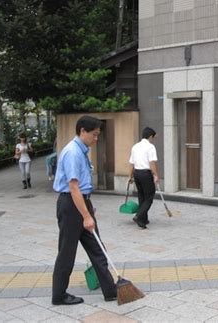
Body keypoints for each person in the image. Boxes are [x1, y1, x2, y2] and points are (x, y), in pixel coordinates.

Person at [52, 115, 117, 305]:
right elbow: (73, 187)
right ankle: (59, 295)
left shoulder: (82, 150)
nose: (96, 139)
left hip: (80, 203)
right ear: (82, 131)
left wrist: (87, 205)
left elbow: (80, 187)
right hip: (71, 206)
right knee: (67, 252)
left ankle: (111, 290)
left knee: (98, 249)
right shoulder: (73, 152)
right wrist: (86, 215)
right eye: (94, 135)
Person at [129, 126, 159, 229]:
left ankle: (144, 219)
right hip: (146, 174)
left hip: (137, 173)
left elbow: (132, 163)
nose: (153, 140)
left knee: (141, 196)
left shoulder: (135, 146)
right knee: (149, 197)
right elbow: (152, 163)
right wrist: (155, 175)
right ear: (150, 136)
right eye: (153, 138)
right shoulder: (150, 147)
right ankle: (138, 216)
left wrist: (130, 176)